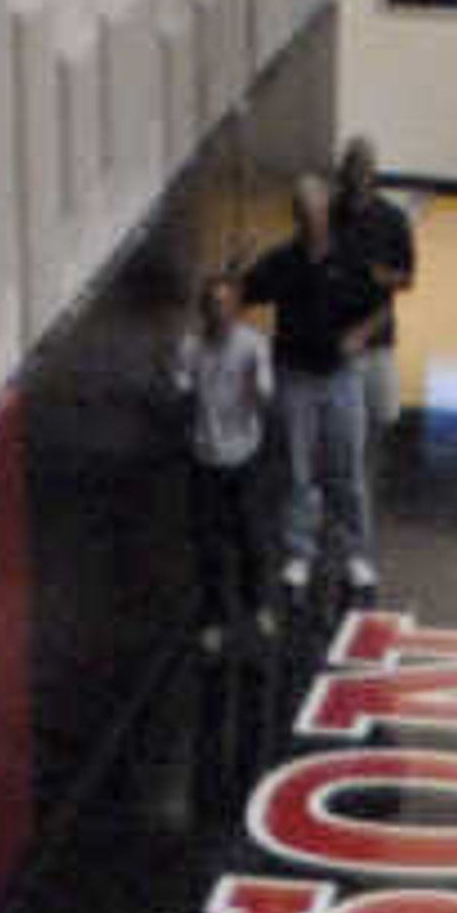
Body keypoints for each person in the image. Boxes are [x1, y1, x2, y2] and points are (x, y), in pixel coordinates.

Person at [244, 173, 379, 601]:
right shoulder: (282, 262)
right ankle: (299, 553)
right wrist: (231, 279)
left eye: (313, 210)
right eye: (300, 212)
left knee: (346, 469)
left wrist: (359, 336)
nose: (307, 219)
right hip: (296, 378)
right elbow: (245, 292)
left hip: (341, 377)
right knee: (298, 470)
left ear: (326, 211)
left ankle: (356, 553)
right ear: (295, 216)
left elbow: (381, 310)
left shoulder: (353, 257)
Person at [171, 263, 277, 655]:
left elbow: (265, 394)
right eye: (212, 305)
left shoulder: (253, 345)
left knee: (251, 537)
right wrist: (186, 394)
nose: (219, 312)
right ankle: (215, 618)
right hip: (205, 459)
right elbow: (181, 387)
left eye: (226, 305)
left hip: (244, 457)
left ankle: (259, 606)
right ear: (204, 311)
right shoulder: (190, 346)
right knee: (209, 545)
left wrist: (254, 387)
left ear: (237, 310)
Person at [330, 129, 416, 447]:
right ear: (343, 171)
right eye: (352, 166)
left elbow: (407, 278)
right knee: (342, 425)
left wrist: (385, 278)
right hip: (339, 335)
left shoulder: (393, 219)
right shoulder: (328, 216)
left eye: (364, 168)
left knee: (380, 416)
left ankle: (368, 476)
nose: (357, 175)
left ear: (373, 173)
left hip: (378, 336)